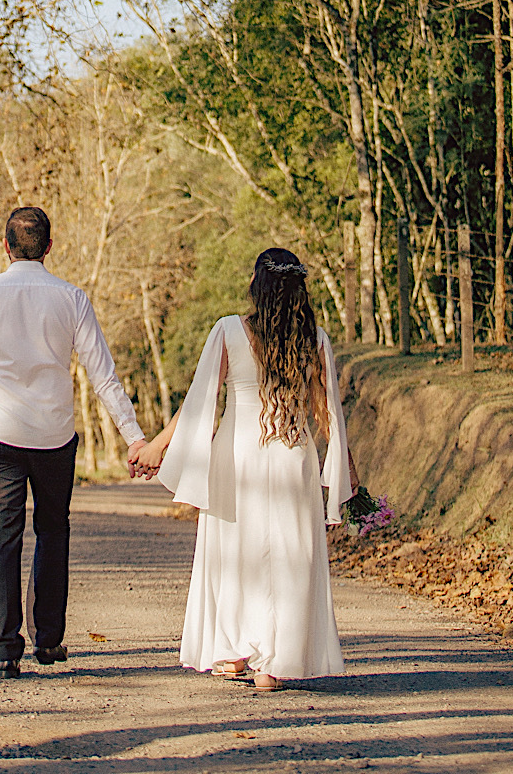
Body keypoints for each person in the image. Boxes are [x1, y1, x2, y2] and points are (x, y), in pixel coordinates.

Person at [0, 205, 148, 679]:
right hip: (54, 436)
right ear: (49, 247)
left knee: (1, 537)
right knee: (53, 531)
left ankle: (5, 649)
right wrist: (133, 437)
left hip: (0, 435)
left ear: (5, 246)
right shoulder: (71, 298)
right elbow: (103, 376)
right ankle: (48, 641)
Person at [130, 247, 358, 690]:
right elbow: (328, 410)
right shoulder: (315, 337)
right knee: (290, 557)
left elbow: (201, 400)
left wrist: (158, 445)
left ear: (256, 284)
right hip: (293, 454)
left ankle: (235, 651)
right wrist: (347, 468)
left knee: (234, 554)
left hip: (237, 456)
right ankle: (272, 663)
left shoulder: (229, 330)